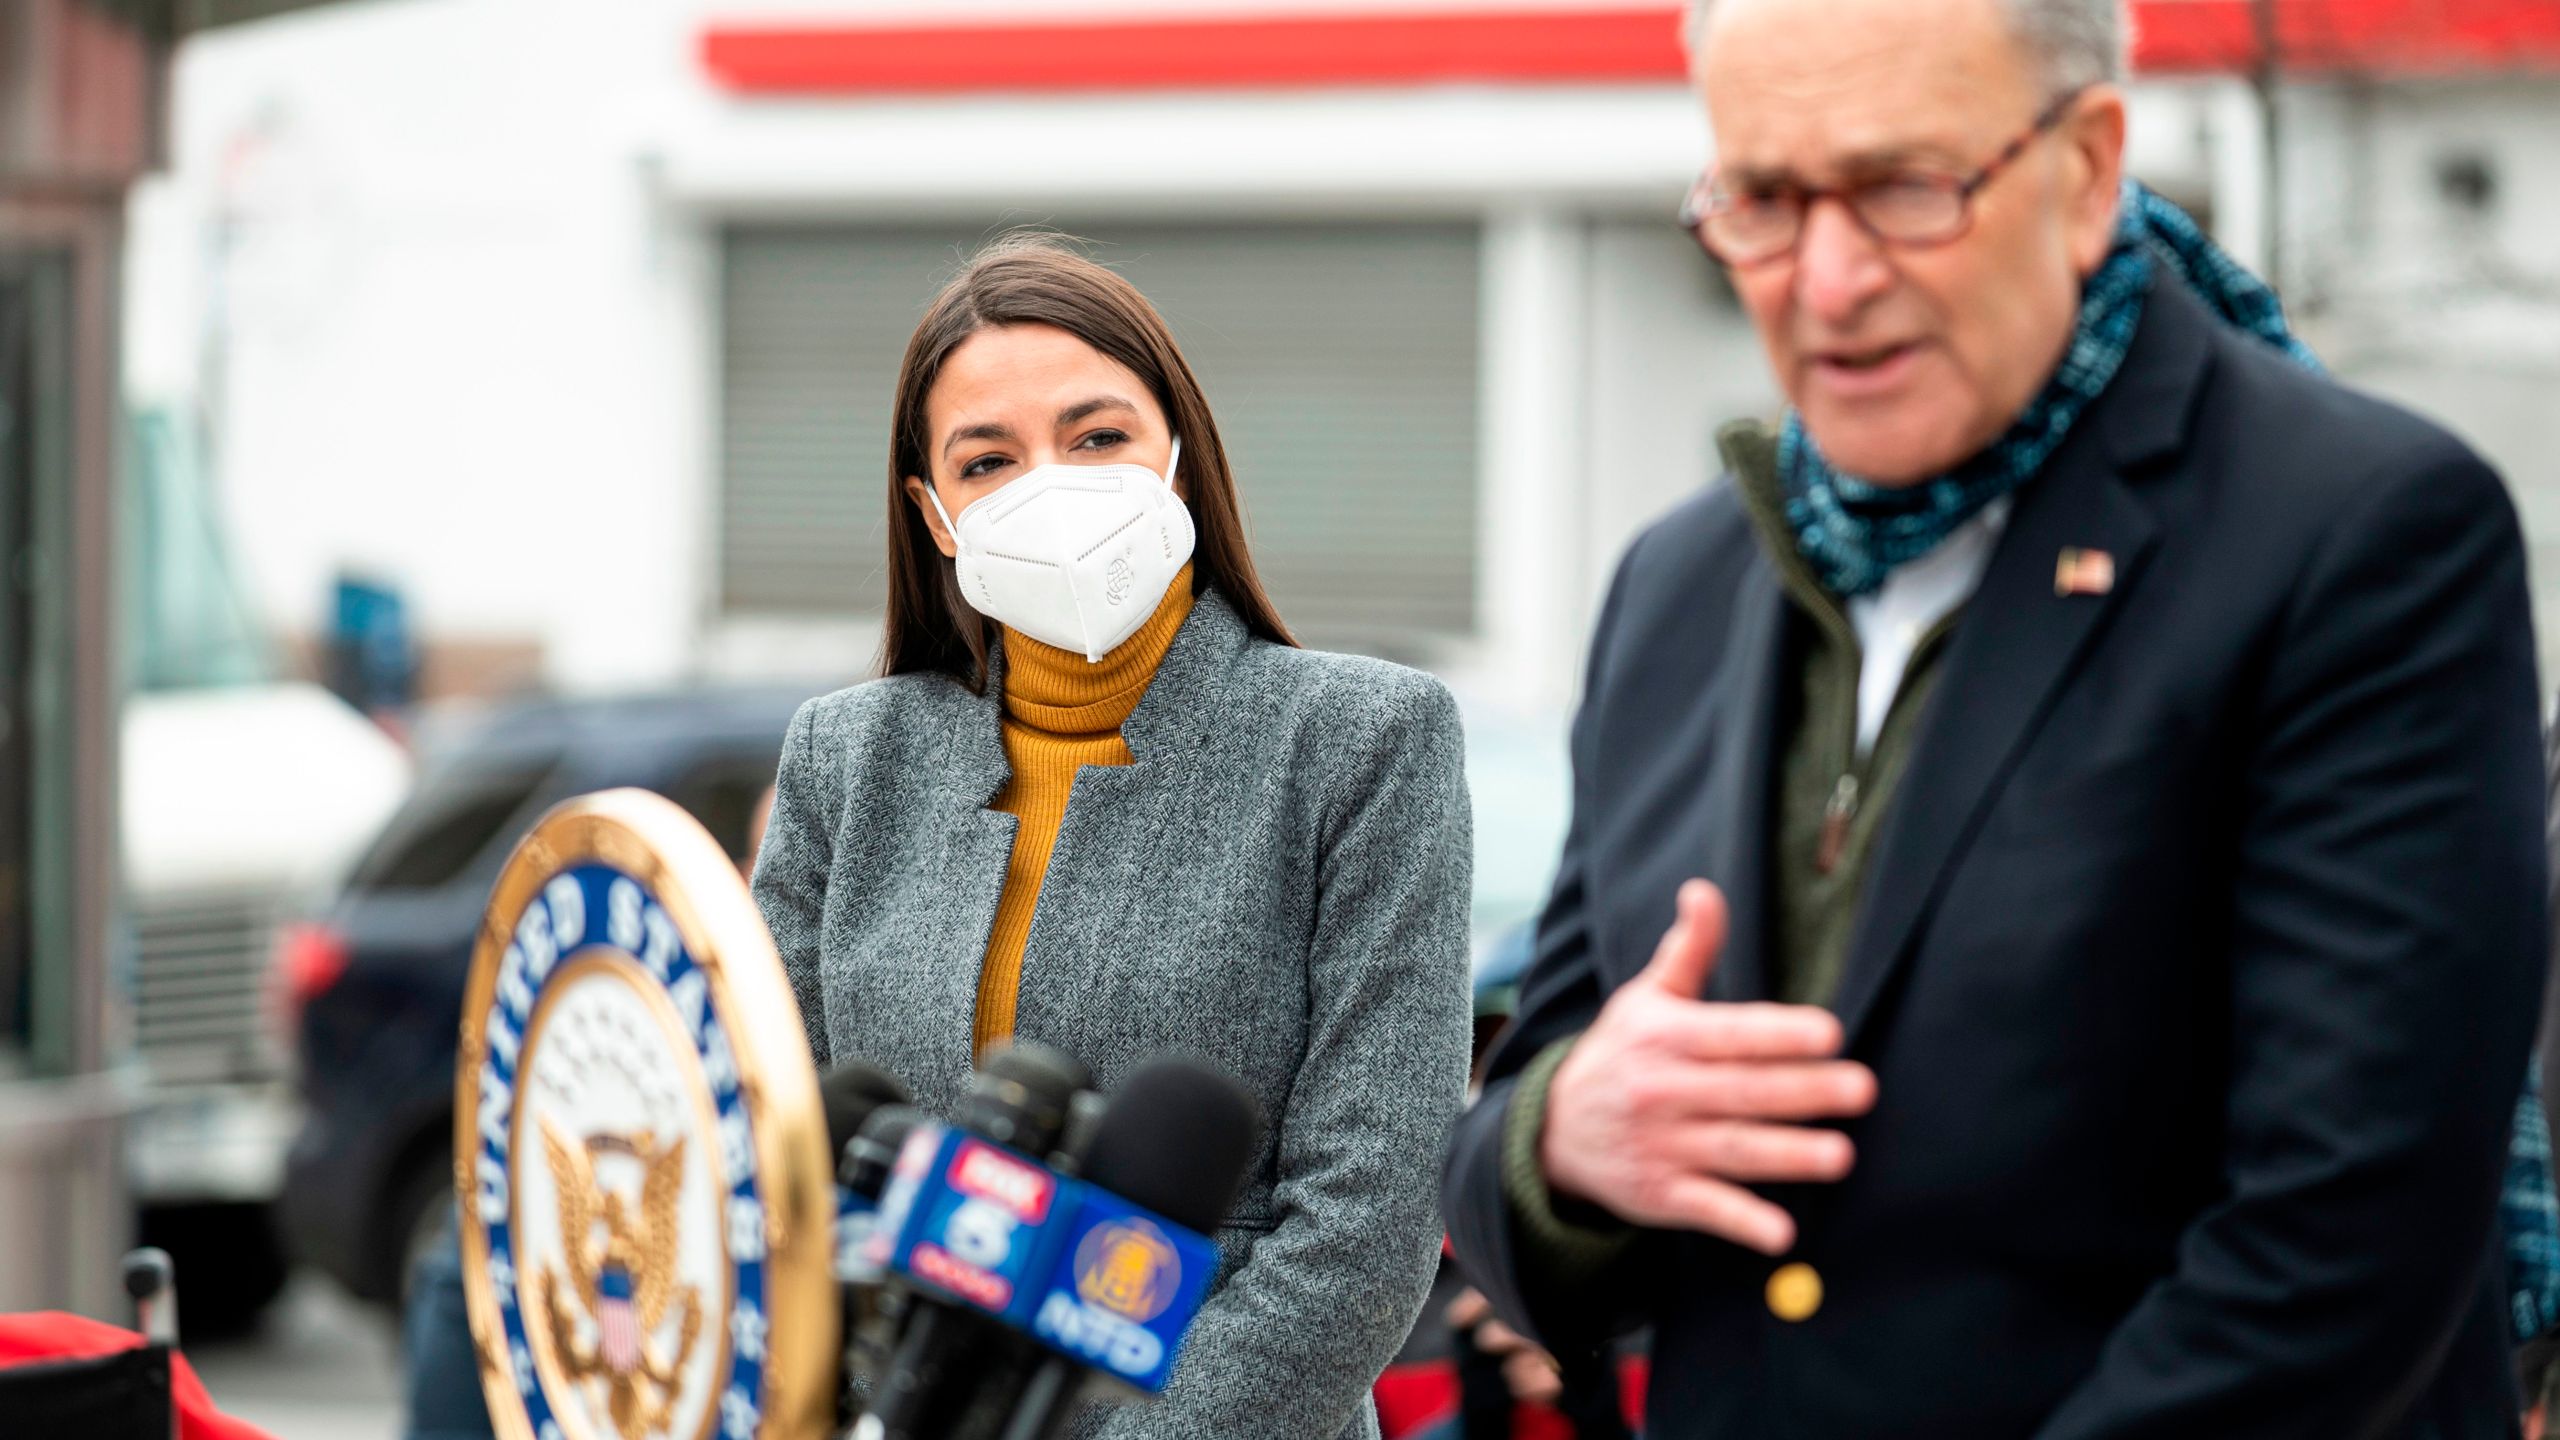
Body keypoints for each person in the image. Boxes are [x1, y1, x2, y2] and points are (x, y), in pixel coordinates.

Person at [1440, 0, 2547, 1434]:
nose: (1828, 280)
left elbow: (2347, 1239)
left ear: (2088, 168)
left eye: (1907, 189)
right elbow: (1519, 1119)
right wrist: (1560, 1141)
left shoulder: (2358, 534)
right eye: (1766, 199)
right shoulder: (1683, 578)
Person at [751, 234, 1471, 1439]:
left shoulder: (1364, 741)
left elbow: (1366, 1223)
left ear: (1176, 456)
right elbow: (775, 1160)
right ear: (933, 515)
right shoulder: (843, 758)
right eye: (988, 460)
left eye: (1097, 437)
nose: (1052, 485)